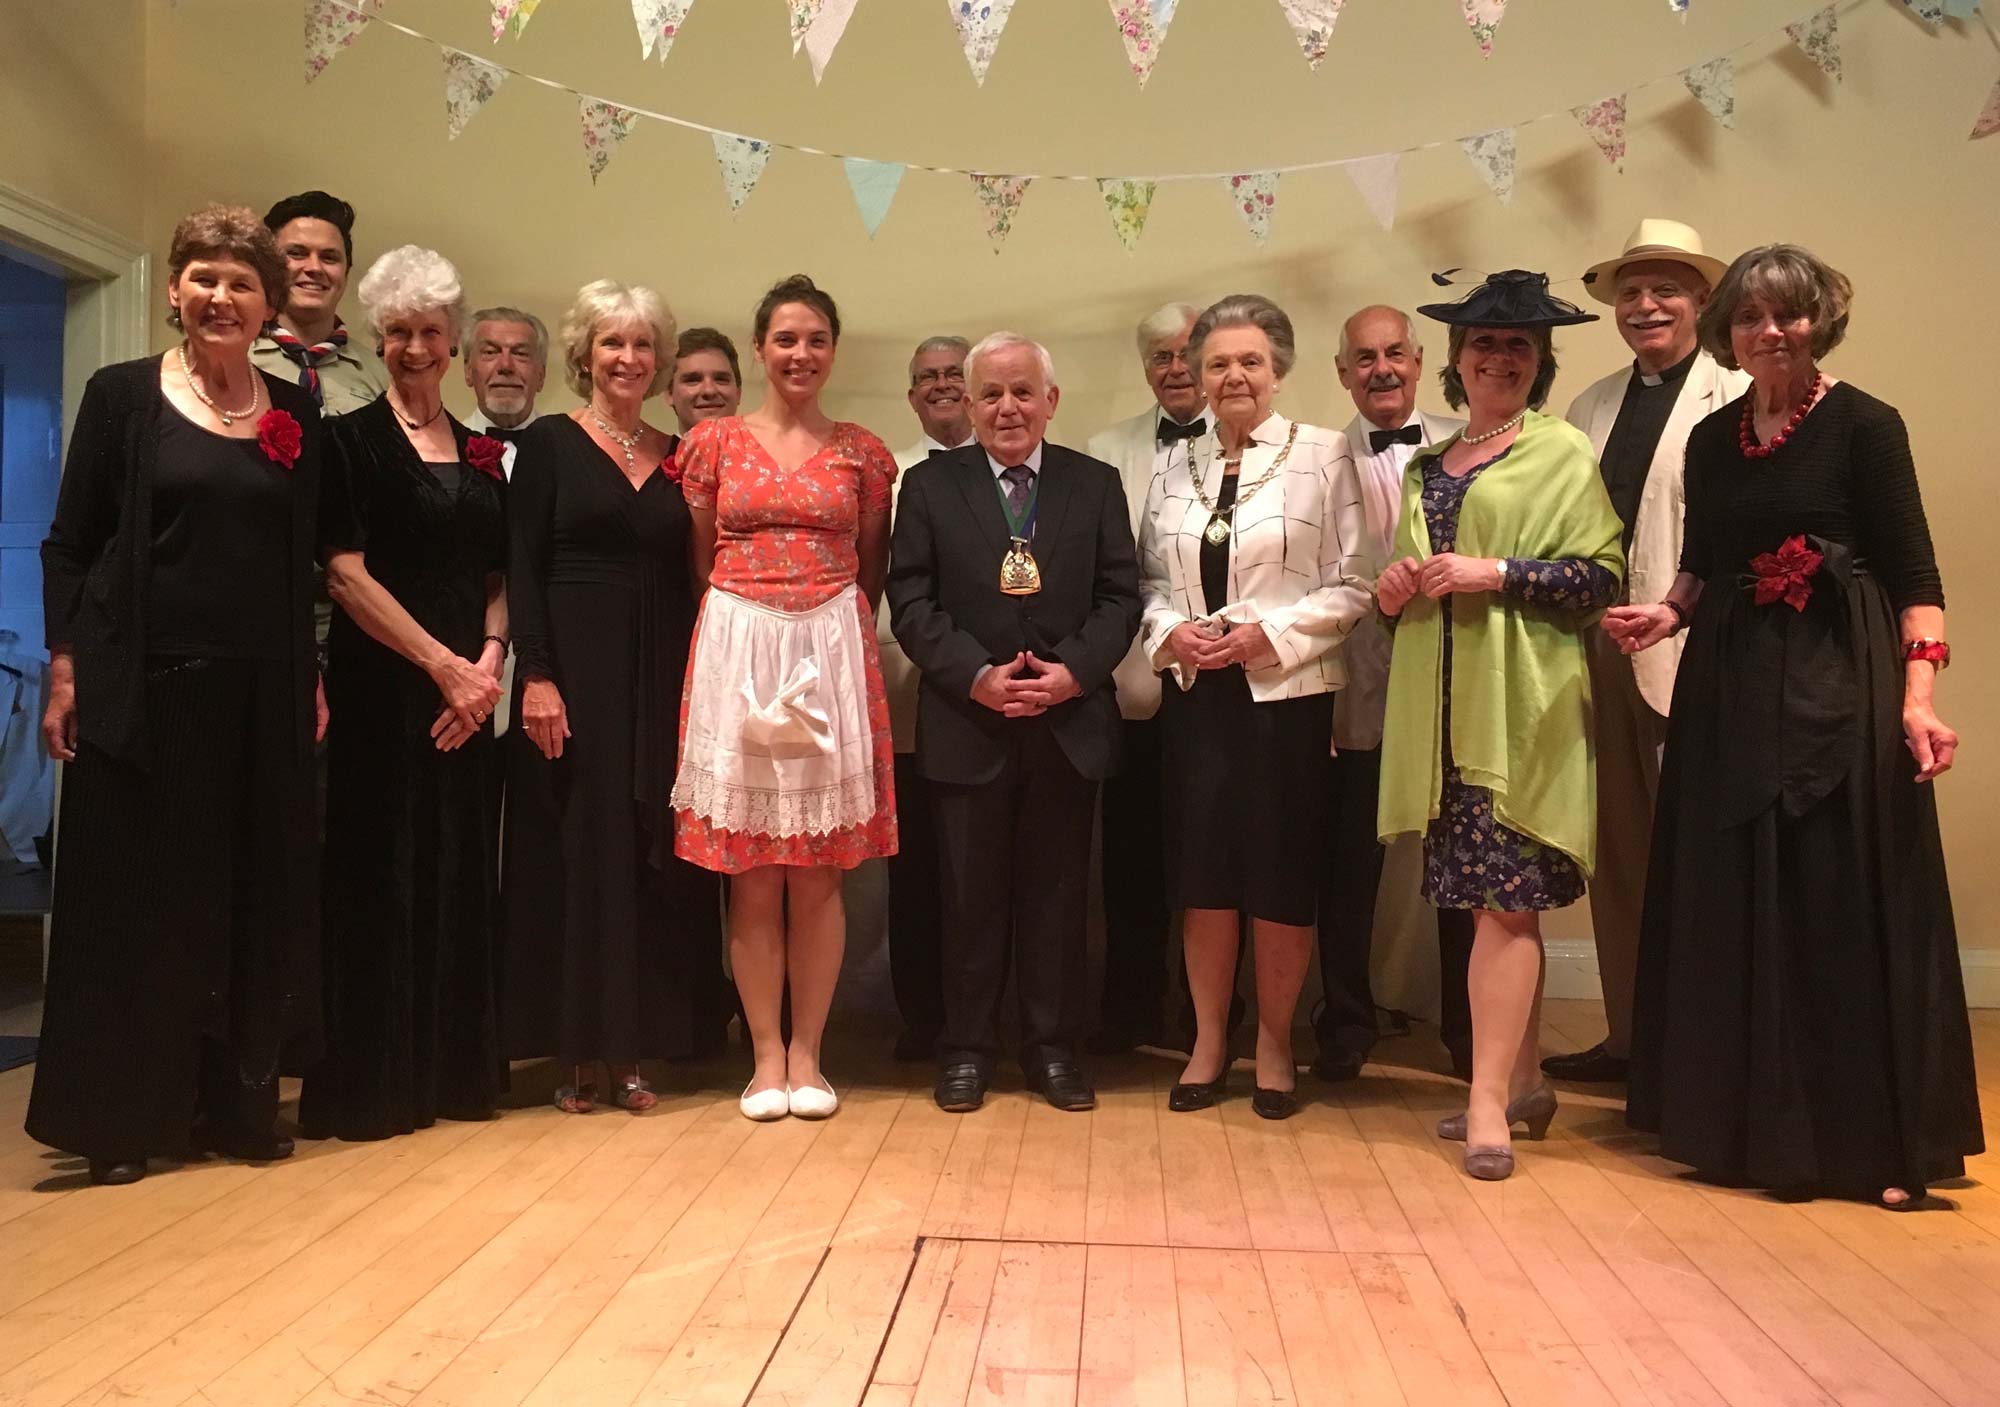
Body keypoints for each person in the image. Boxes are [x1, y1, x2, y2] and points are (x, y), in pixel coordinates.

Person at [1623, 245, 1980, 1209]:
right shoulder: (1708, 439)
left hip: (1842, 676)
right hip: (1732, 683)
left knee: (1834, 898)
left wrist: (1918, 700)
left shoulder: (1867, 424)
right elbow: (1701, 567)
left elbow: (1918, 579)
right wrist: (1666, 612)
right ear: (1726, 331)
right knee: (1733, 893)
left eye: (1789, 315)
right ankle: (1733, 1129)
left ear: (1821, 320)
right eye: (1749, 318)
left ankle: (1869, 1146)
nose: (1768, 332)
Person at [29, 205, 325, 1185]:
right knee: (141, 905)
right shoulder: (122, 396)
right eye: (201, 277)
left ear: (267, 305)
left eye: (240, 282)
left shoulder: (293, 410)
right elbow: (72, 543)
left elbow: (300, 563)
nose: (219, 295)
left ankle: (232, 1108)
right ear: (172, 290)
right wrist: (67, 668)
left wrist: (309, 673)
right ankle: (122, 1121)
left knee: (246, 898)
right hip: (144, 688)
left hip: (260, 692)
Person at [1376, 270, 1624, 1181]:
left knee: (1506, 901)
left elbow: (1599, 575)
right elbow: (1402, 585)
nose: (1500, 356)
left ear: (1541, 360)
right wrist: (1392, 588)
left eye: (1520, 344)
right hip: (1440, 712)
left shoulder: (1559, 452)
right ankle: (1521, 1081)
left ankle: (1487, 1107)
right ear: (1457, 359)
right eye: (1485, 342)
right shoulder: (1423, 466)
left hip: (1520, 708)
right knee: (1482, 899)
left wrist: (1497, 574)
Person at [888, 332, 1143, 1115]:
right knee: (969, 900)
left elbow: (1120, 595)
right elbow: (911, 599)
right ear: (967, 404)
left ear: (1050, 401)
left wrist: (1072, 673)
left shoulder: (1093, 483)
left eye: (1023, 391)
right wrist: (977, 677)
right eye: (991, 394)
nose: (1008, 407)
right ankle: (966, 1048)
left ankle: (1052, 1048)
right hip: (971, 723)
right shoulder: (929, 488)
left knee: (1058, 900)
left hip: (1068, 723)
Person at [1139, 295, 1373, 1119]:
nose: (1232, 376)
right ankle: (1210, 1038)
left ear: (1277, 369)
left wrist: (1263, 636)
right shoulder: (1176, 461)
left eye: (1249, 362)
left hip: (1286, 701)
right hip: (1199, 701)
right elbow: (1148, 583)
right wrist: (1173, 635)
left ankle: (1274, 1042)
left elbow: (1357, 583)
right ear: (1195, 375)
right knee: (1202, 878)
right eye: (1215, 364)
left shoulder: (1324, 453)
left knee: (1278, 879)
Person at [672, 275, 899, 1121]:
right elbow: (699, 558)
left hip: (829, 648)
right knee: (754, 870)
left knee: (819, 872)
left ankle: (811, 1053)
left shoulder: (865, 454)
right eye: (785, 339)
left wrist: (819, 627)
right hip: (738, 644)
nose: (800, 354)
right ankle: (764, 1055)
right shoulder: (713, 445)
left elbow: (870, 566)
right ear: (759, 348)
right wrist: (754, 620)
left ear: (833, 351)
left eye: (815, 339)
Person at [299, 246, 508, 1141]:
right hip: (387, 692)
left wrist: (490, 661)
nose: (415, 348)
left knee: (459, 869)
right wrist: (443, 665)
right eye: (398, 333)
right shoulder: (344, 442)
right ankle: (376, 1088)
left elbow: (501, 568)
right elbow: (344, 574)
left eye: (430, 332)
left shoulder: (482, 450)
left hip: (470, 700)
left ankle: (454, 1075)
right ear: (377, 340)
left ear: (454, 341)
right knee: (379, 876)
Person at [505, 280, 723, 1112]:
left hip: (665, 672)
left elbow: (698, 570)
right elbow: (523, 567)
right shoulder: (550, 445)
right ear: (584, 356)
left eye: (641, 345)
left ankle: (636, 1049)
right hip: (576, 676)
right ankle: (575, 1054)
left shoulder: (681, 451)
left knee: (649, 853)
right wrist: (537, 674)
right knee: (581, 853)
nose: (627, 358)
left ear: (659, 360)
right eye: (611, 344)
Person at [1547, 221, 1746, 1085]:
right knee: (1620, 850)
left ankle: (1705, 1047)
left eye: (1665, 288)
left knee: (1700, 851)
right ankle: (1632, 1033)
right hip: (1595, 650)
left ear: (1702, 301)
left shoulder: (1739, 396)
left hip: (1695, 648)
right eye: (1631, 291)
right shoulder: (1588, 406)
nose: (1646, 304)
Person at [1323, 304, 1469, 1082]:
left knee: (1462, 859)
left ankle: (1471, 1034)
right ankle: (1345, 1020)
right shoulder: (1314, 458)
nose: (1382, 369)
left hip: (1454, 681)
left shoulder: (1470, 441)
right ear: (1342, 373)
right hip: (1359, 687)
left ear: (1418, 362)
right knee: (1348, 866)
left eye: (1395, 354)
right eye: (1364, 357)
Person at [1085, 302, 1204, 1054]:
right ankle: (1129, 1010)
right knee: (1129, 859)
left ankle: (1208, 1017)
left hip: (1223, 685)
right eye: (1161, 355)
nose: (1178, 366)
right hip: (1133, 685)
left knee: (1211, 859)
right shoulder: (1105, 448)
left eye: (1191, 350)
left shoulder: (1261, 443)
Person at [882, 335, 975, 1060]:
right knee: (916, 873)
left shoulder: (1029, 471)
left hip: (1001, 697)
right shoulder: (888, 479)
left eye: (955, 374)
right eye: (927, 378)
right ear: (912, 396)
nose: (942, 386)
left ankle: (987, 1017)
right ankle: (923, 1018)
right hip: (912, 703)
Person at [253, 190, 387, 416]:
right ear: (269, 266)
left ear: (346, 272)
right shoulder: (236, 360)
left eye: (329, 257)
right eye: (296, 253)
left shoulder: (379, 375)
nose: (314, 267)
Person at [463, 305, 549, 473]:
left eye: (520, 354)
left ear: (541, 375)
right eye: (490, 352)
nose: (506, 366)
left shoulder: (567, 451)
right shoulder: (449, 448)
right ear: (468, 371)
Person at [669, 327, 742, 432]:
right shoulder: (652, 448)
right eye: (693, 380)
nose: (709, 390)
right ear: (669, 393)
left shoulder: (766, 448)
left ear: (738, 392)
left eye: (721, 379)